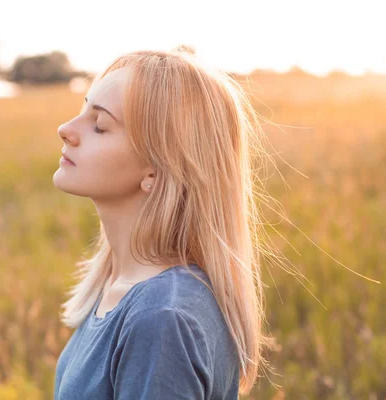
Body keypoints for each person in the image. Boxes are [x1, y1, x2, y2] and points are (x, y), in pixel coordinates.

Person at [52, 47, 275, 399]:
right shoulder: (121, 285)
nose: (66, 129)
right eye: (82, 110)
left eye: (100, 125)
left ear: (156, 169)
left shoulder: (161, 318)